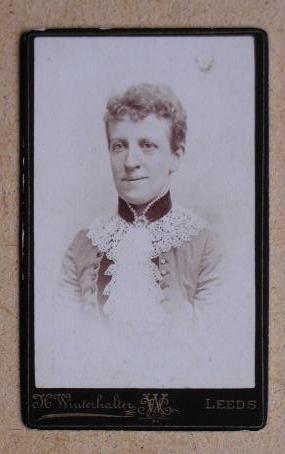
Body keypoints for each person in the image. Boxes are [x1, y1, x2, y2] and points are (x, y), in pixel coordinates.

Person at [56, 83, 225, 387]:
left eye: (148, 145)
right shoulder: (83, 245)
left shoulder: (207, 247)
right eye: (119, 145)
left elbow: (215, 357)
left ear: (177, 156)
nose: (130, 162)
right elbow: (64, 352)